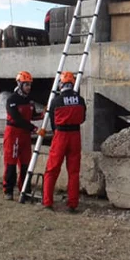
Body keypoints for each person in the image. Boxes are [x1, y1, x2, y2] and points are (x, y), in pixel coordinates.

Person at [42, 72, 86, 212]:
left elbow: (53, 122)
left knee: (52, 169)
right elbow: (83, 118)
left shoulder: (55, 101)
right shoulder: (80, 100)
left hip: (61, 135)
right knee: (74, 171)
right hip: (75, 135)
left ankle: (47, 202)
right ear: (72, 84)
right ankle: (72, 204)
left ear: (61, 85)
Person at [4, 71, 44, 200]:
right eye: (26, 84)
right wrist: (34, 128)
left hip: (25, 135)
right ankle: (8, 191)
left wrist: (43, 114)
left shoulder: (29, 100)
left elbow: (32, 115)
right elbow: (17, 119)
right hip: (13, 134)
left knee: (26, 163)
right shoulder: (12, 100)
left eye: (29, 85)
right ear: (20, 84)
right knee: (11, 163)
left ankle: (25, 190)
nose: (28, 87)